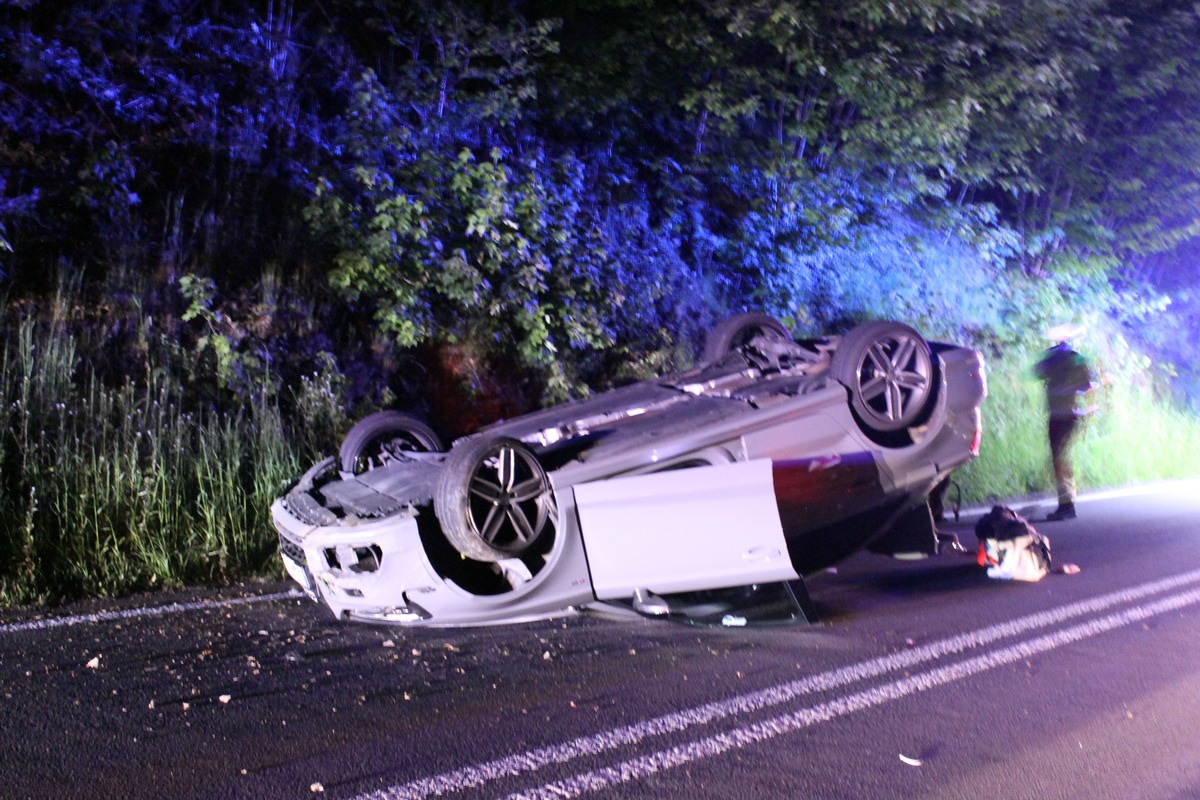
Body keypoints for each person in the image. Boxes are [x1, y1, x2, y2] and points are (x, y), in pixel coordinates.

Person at [1034, 325, 1094, 520]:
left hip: (1062, 415)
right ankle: (1067, 502)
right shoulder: (1077, 359)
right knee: (1061, 457)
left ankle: (1067, 504)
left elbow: (1037, 373)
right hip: (1068, 414)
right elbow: (1087, 385)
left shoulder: (1053, 358)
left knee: (1060, 458)